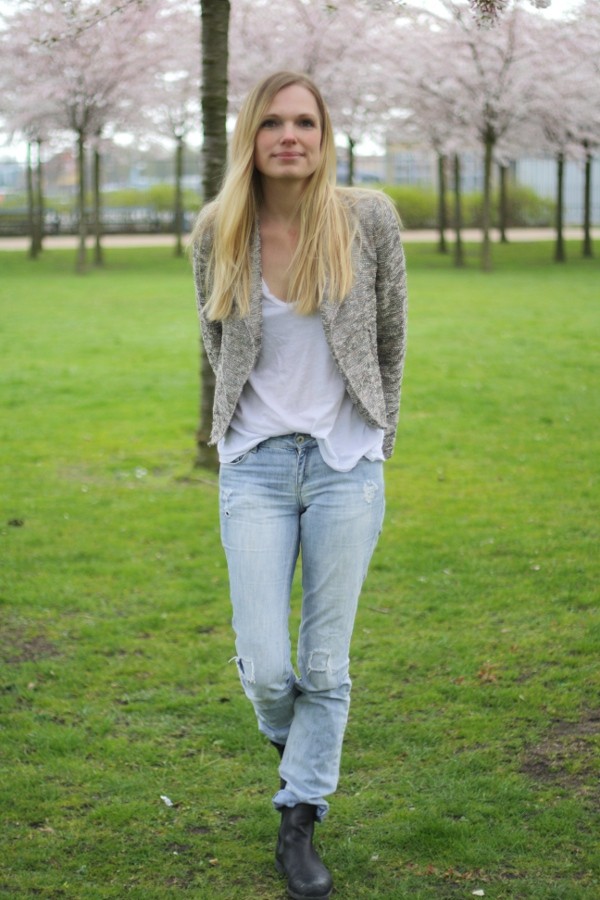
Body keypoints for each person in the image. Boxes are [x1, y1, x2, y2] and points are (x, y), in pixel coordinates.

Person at [191, 71, 407, 900]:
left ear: (325, 135)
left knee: (324, 661)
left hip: (346, 464)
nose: (291, 136)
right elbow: (216, 344)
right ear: (250, 135)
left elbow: (390, 340)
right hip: (256, 464)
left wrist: (379, 438)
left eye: (306, 122)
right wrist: (236, 435)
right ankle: (302, 748)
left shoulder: (368, 219)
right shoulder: (217, 231)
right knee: (265, 667)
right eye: (274, 122)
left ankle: (300, 814)